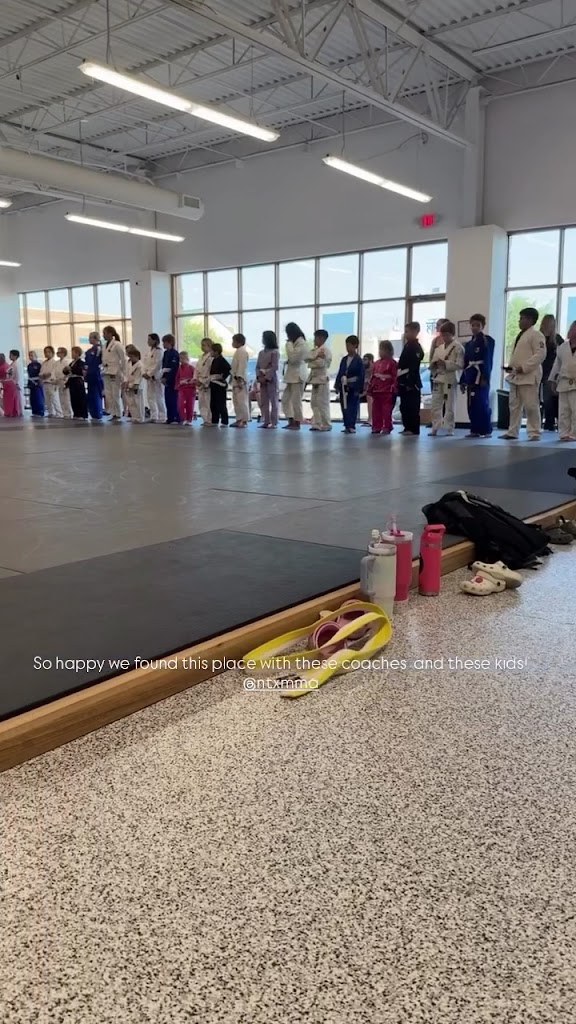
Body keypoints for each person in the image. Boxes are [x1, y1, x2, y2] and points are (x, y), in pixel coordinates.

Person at [501, 307, 546, 441]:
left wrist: (524, 367)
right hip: (516, 375)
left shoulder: (536, 335)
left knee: (531, 405)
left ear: (530, 320)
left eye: (522, 318)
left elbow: (540, 354)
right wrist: (512, 368)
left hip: (529, 376)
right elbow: (519, 355)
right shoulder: (521, 335)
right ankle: (512, 431)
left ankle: (534, 432)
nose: (519, 321)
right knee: (514, 405)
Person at [460, 314, 495, 438]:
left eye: (477, 325)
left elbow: (488, 359)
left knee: (482, 403)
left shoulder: (487, 341)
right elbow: (465, 363)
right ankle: (474, 429)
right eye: (473, 325)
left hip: (481, 375)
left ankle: (486, 430)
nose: (474, 327)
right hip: (471, 374)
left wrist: (485, 376)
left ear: (483, 326)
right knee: (471, 403)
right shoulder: (469, 344)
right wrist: (463, 380)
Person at [429, 320, 464, 437]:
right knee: (436, 404)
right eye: (443, 335)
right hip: (438, 377)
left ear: (452, 334)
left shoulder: (458, 347)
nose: (444, 337)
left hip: (450, 378)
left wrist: (446, 364)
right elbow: (432, 361)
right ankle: (435, 427)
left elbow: (460, 365)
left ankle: (449, 428)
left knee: (449, 405)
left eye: (447, 335)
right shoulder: (439, 348)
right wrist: (434, 365)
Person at [549, 321, 576, 441]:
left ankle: (574, 433)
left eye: (574, 329)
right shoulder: (562, 347)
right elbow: (557, 365)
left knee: (575, 409)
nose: (571, 331)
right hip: (564, 381)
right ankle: (564, 433)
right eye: (571, 328)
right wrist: (552, 380)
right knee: (563, 410)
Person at [397, 322, 424, 436]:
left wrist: (410, 382)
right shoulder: (407, 345)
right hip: (403, 378)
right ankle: (407, 426)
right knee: (404, 406)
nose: (406, 334)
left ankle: (413, 428)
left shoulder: (416, 347)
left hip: (412, 380)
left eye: (408, 331)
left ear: (415, 332)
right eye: (406, 331)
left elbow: (414, 365)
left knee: (412, 406)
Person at [335, 335, 364, 434]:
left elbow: (361, 375)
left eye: (349, 345)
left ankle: (351, 425)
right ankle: (346, 425)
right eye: (346, 345)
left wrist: (358, 389)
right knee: (344, 406)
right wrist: (337, 385)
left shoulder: (359, 360)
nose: (347, 348)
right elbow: (340, 372)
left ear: (355, 346)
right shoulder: (344, 359)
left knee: (352, 406)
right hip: (344, 385)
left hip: (353, 386)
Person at [282, 322, 308, 430]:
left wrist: (288, 344)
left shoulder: (301, 343)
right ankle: (291, 419)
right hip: (291, 375)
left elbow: (293, 358)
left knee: (296, 401)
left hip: (298, 376)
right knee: (285, 399)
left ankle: (297, 422)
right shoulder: (295, 344)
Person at [540, 314, 564, 431]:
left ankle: (550, 422)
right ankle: (543, 422)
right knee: (537, 400)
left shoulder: (557, 339)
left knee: (549, 399)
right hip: (539, 370)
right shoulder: (539, 338)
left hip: (550, 373)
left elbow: (562, 355)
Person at [368, 340, 397, 435]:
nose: (380, 352)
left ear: (388, 350)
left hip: (387, 391)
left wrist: (394, 387)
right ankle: (376, 426)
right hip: (376, 391)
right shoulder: (376, 363)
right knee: (376, 410)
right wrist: (370, 388)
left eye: (382, 350)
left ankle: (387, 426)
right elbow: (372, 377)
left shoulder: (392, 363)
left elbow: (395, 377)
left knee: (386, 411)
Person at [306, 329, 332, 431]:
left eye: (316, 338)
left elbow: (320, 364)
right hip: (314, 379)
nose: (314, 340)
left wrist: (311, 361)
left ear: (321, 338)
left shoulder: (326, 350)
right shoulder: (316, 350)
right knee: (314, 403)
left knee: (322, 403)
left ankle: (326, 423)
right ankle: (317, 423)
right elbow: (306, 358)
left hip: (322, 379)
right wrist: (315, 357)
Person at [102, 326, 126, 421]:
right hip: (106, 371)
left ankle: (118, 413)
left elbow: (123, 359)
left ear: (110, 333)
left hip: (115, 371)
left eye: (105, 333)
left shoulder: (117, 344)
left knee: (115, 394)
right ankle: (113, 413)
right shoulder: (104, 345)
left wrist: (122, 372)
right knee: (108, 394)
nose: (103, 335)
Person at [256, 330, 279, 428]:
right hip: (262, 379)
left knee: (273, 401)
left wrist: (266, 377)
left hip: (271, 379)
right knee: (264, 401)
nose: (262, 340)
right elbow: (257, 366)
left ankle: (274, 422)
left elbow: (274, 367)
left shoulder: (275, 352)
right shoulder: (261, 353)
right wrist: (259, 376)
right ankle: (266, 421)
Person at [142, 333, 165, 423]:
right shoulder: (149, 352)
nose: (148, 341)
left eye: (150, 339)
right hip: (149, 377)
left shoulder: (159, 351)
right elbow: (145, 364)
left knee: (159, 397)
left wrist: (150, 374)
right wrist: (145, 373)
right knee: (150, 397)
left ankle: (162, 416)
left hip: (156, 377)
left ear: (155, 340)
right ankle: (153, 416)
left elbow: (157, 365)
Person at [230, 333, 250, 428]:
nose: (232, 343)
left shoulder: (242, 352)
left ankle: (244, 420)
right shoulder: (238, 351)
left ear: (238, 342)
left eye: (233, 341)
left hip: (240, 380)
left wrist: (239, 378)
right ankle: (239, 419)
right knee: (236, 401)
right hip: (235, 379)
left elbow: (242, 366)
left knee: (242, 401)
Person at [209, 343, 231, 426]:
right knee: (213, 403)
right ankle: (215, 420)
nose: (210, 353)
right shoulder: (214, 360)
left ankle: (224, 421)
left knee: (221, 403)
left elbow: (228, 369)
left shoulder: (222, 360)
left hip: (220, 385)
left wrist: (222, 377)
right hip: (213, 383)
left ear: (216, 352)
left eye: (211, 351)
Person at [161, 333, 180, 424]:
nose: (163, 344)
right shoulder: (165, 353)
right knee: (167, 399)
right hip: (166, 379)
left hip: (173, 379)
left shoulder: (174, 354)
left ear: (169, 342)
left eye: (164, 342)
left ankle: (176, 417)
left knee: (173, 399)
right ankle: (170, 417)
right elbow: (164, 367)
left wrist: (168, 378)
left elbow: (174, 368)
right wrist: (163, 377)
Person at [195, 337, 214, 426]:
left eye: (204, 345)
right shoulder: (201, 357)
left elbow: (209, 371)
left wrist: (203, 381)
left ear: (209, 346)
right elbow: (196, 369)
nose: (202, 347)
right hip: (199, 380)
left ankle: (209, 419)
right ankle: (204, 419)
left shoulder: (211, 357)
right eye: (201, 345)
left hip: (206, 381)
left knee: (207, 401)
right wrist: (196, 379)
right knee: (201, 402)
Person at [123, 347, 145, 423]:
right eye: (130, 356)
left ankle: (140, 418)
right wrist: (125, 382)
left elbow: (139, 376)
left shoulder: (140, 365)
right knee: (130, 402)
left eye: (132, 357)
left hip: (137, 385)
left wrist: (136, 384)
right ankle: (134, 416)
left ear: (137, 356)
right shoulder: (128, 363)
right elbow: (126, 373)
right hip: (129, 383)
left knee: (138, 402)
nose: (131, 358)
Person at [85, 332, 103, 421]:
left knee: (96, 394)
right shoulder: (88, 351)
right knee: (91, 394)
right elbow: (86, 363)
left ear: (96, 338)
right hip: (90, 374)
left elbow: (100, 361)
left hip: (96, 374)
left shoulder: (99, 349)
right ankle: (93, 413)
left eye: (91, 337)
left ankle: (98, 412)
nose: (89, 339)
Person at [66, 346, 88, 420]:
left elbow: (81, 371)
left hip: (78, 381)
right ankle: (76, 413)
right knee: (73, 398)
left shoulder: (81, 362)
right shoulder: (72, 363)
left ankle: (82, 414)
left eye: (73, 352)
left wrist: (71, 369)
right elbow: (67, 372)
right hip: (72, 381)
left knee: (80, 398)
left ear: (77, 353)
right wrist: (65, 370)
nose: (72, 354)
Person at [39, 346, 61, 418]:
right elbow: (41, 372)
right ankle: (51, 412)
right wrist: (42, 375)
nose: (47, 353)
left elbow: (53, 372)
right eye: (45, 352)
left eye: (49, 352)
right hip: (45, 382)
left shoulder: (54, 362)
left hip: (51, 383)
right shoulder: (44, 363)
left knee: (54, 398)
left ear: (52, 353)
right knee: (47, 399)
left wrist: (47, 375)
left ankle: (59, 413)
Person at [175, 351, 196, 425]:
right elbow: (177, 378)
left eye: (183, 358)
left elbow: (195, 378)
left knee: (189, 405)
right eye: (180, 358)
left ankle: (189, 419)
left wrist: (194, 387)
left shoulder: (191, 368)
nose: (182, 360)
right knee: (180, 404)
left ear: (187, 359)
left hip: (190, 389)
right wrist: (177, 385)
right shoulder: (179, 368)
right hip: (181, 389)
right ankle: (183, 418)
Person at [3, 350, 23, 417]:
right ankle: (10, 412)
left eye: (11, 355)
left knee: (14, 399)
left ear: (15, 356)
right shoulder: (12, 364)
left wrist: (16, 383)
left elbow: (17, 375)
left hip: (14, 384)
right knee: (10, 399)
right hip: (10, 383)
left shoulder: (16, 364)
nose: (9, 356)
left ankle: (15, 412)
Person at [54, 347, 72, 419]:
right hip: (59, 381)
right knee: (61, 398)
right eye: (57, 352)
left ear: (63, 353)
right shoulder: (56, 363)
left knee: (66, 398)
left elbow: (69, 372)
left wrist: (66, 378)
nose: (58, 354)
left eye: (59, 352)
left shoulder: (67, 362)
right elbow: (54, 372)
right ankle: (64, 413)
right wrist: (55, 380)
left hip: (65, 381)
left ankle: (69, 413)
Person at [27, 350, 45, 418]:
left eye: (32, 355)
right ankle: (34, 411)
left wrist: (39, 381)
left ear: (35, 356)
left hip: (37, 382)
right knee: (33, 398)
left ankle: (40, 412)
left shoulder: (38, 365)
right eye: (29, 355)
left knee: (38, 398)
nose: (30, 357)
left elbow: (40, 374)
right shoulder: (29, 365)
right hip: (32, 383)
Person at [361, 353, 374, 427]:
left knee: (369, 396)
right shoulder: (363, 370)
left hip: (371, 391)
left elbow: (371, 385)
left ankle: (370, 419)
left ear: (371, 361)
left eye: (365, 360)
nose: (363, 361)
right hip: (362, 391)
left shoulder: (374, 370)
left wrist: (363, 393)